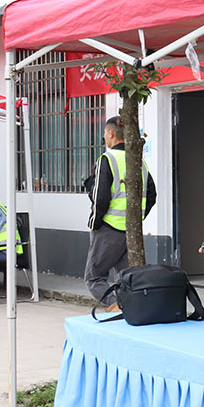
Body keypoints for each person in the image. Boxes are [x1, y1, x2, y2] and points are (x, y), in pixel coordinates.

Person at [84, 115, 158, 307]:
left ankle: (117, 306)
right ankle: (131, 309)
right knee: (129, 279)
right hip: (131, 231)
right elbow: (151, 195)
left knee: (94, 278)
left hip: (108, 229)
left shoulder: (107, 159)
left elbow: (100, 198)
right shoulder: (139, 162)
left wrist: (94, 224)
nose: (104, 137)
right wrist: (138, 218)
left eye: (104, 133)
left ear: (111, 133)